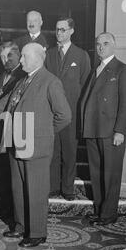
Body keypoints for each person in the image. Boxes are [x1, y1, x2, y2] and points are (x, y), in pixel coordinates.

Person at [0, 43, 71, 247]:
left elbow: (64, 116)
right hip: (16, 144)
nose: (20, 61)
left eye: (24, 57)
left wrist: (43, 133)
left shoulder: (50, 82)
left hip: (36, 147)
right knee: (19, 188)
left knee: (36, 190)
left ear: (38, 58)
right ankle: (21, 226)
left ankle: (37, 233)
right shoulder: (22, 81)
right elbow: (2, 104)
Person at [81, 32, 126, 226]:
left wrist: (120, 131)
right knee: (96, 173)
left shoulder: (123, 70)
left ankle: (108, 214)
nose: (100, 47)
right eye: (97, 44)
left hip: (111, 132)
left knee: (111, 174)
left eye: (105, 43)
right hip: (93, 129)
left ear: (114, 45)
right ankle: (99, 210)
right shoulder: (96, 70)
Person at [46, 17, 91, 201]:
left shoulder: (81, 56)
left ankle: (68, 189)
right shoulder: (48, 54)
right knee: (54, 150)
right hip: (52, 113)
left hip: (72, 114)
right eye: (57, 29)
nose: (59, 33)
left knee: (70, 152)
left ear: (72, 31)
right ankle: (53, 187)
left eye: (63, 30)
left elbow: (87, 86)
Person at [0, 41, 26, 222]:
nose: (5, 60)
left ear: (18, 55)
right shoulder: (1, 74)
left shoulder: (23, 75)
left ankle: (13, 212)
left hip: (12, 130)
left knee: (12, 173)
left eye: (8, 56)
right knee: (1, 171)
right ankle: (4, 209)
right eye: (2, 57)